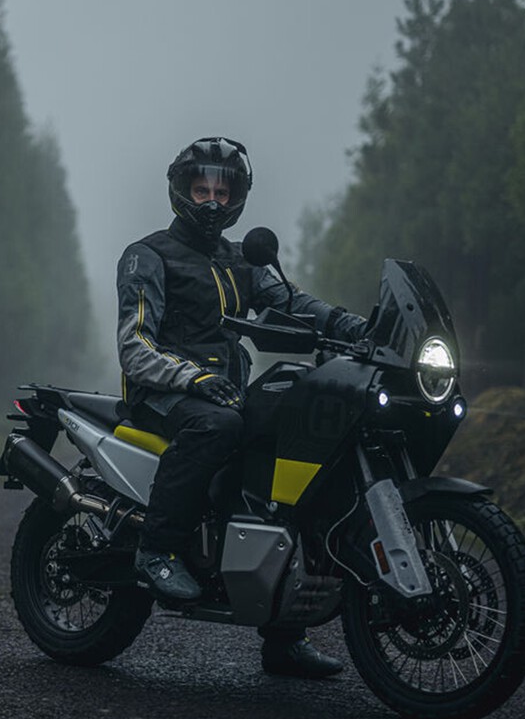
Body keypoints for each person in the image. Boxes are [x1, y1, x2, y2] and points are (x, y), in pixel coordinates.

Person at [115, 136, 369, 679]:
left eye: (222, 191)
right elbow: (136, 345)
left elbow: (293, 303)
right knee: (220, 425)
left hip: (223, 392)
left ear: (237, 199)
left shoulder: (240, 259)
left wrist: (356, 327)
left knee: (294, 443)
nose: (212, 201)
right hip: (166, 394)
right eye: (201, 189)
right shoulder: (149, 254)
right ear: (181, 190)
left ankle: (284, 635)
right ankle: (156, 548)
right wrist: (195, 378)